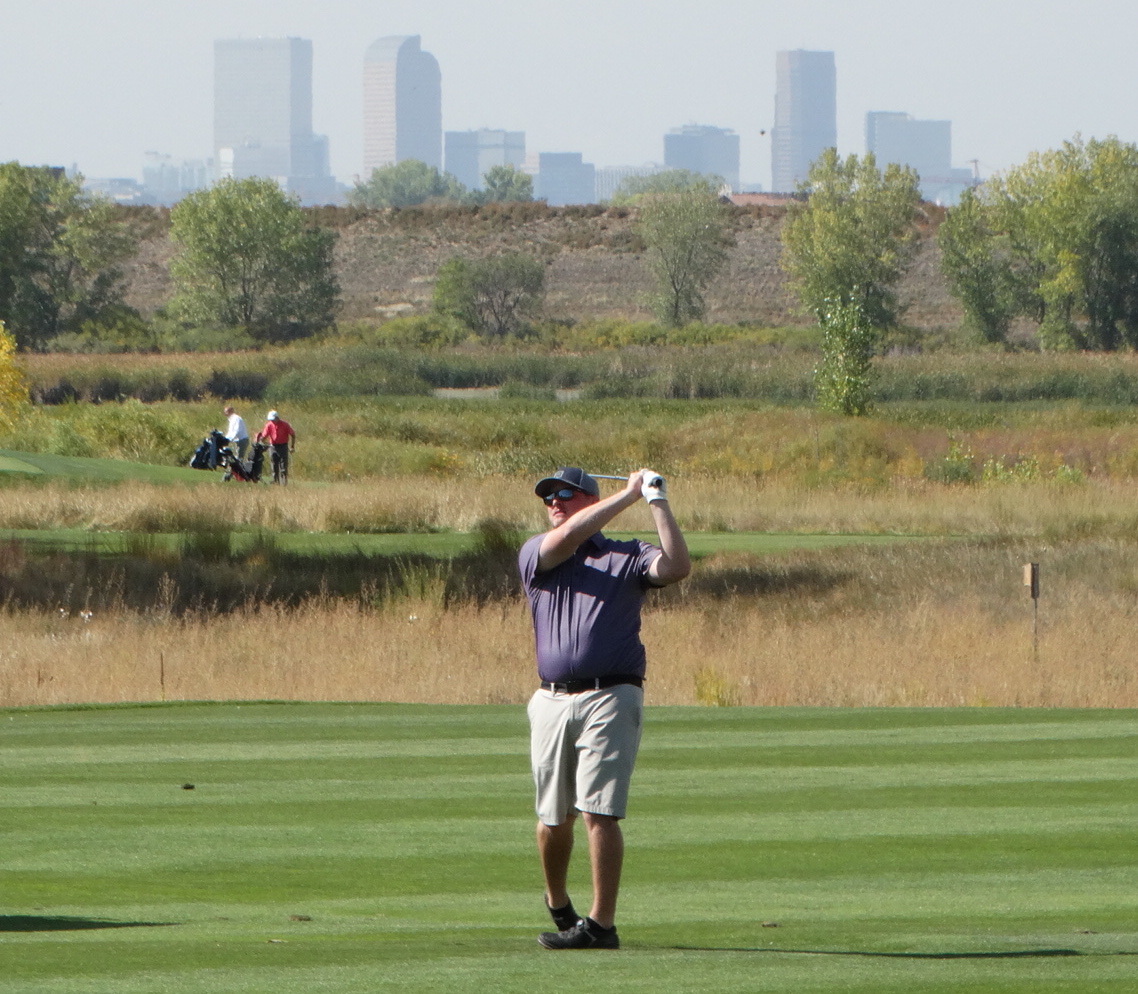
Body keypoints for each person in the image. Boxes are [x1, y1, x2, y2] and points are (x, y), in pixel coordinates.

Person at [518, 466, 690, 950]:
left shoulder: (627, 554)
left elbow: (676, 568)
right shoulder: (536, 552)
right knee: (554, 818)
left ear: (589, 499)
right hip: (551, 698)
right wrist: (630, 492)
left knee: (600, 810)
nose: (554, 503)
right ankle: (558, 904)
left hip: (612, 693)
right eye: (549, 496)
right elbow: (569, 535)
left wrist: (657, 501)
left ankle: (601, 924)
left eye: (565, 495)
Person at [255, 410, 296, 485]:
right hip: (273, 446)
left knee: (283, 465)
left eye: (273, 419)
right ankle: (275, 480)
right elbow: (264, 436)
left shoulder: (285, 424)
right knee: (274, 464)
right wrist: (260, 440)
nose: (272, 421)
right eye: (271, 420)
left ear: (277, 417)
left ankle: (284, 482)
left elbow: (293, 434)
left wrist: (292, 446)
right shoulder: (269, 425)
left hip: (283, 446)